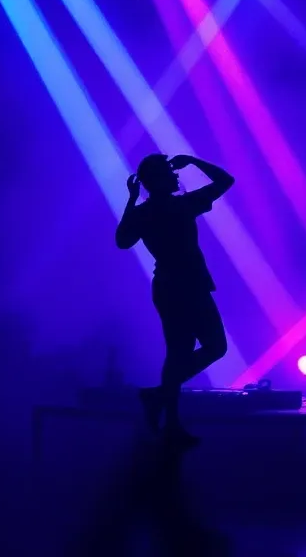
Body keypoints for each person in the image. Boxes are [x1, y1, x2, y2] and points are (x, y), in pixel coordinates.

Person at [115, 152, 235, 446]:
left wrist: (132, 199)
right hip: (189, 286)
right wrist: (194, 161)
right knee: (213, 347)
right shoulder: (182, 206)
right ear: (158, 179)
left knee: (178, 353)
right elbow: (225, 180)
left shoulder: (145, 212)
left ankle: (167, 415)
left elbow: (122, 240)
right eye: (170, 173)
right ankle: (161, 403)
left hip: (168, 287)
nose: (175, 176)